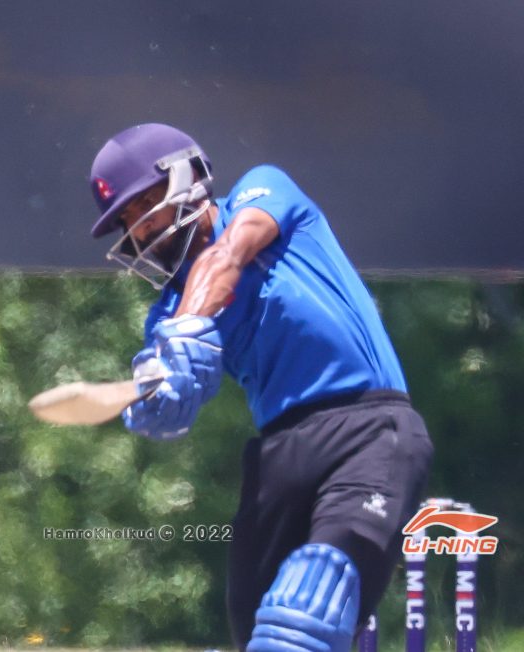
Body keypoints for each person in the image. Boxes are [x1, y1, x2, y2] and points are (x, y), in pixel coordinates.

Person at [87, 123, 433, 652]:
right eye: (127, 221)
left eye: (145, 205)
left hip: (369, 430)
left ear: (185, 177)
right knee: (255, 635)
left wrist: (187, 327)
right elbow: (177, 402)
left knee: (306, 613)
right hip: (279, 457)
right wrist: (158, 395)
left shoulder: (261, 193)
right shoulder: (166, 314)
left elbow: (225, 257)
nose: (140, 229)